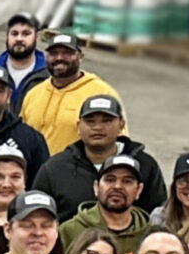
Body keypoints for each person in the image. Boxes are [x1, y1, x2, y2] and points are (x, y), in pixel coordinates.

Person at [36, 94, 167, 221]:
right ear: (78, 126)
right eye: (90, 121)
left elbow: (158, 216)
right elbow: (38, 215)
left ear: (121, 124)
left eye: (107, 121)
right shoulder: (54, 168)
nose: (98, 127)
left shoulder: (145, 166)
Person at [17, 34, 121, 154]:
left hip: (78, 171)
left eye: (67, 53)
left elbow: (118, 142)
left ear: (80, 56)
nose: (59, 58)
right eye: (54, 53)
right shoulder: (34, 94)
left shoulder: (102, 93)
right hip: (36, 171)